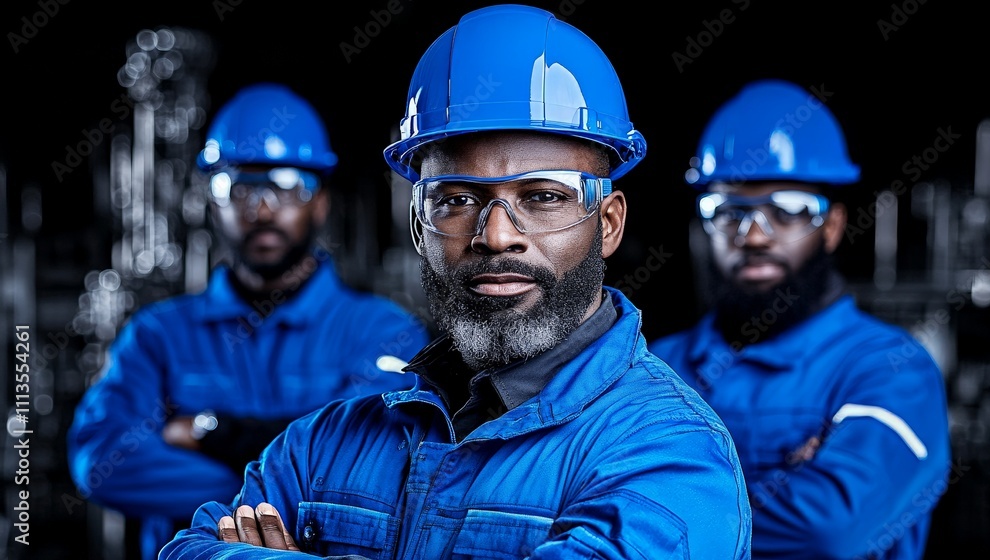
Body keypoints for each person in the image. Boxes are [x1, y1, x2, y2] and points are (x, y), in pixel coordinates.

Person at [160, 5, 753, 559]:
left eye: (543, 197)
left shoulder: (668, 456)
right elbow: (189, 547)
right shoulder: (323, 443)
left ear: (609, 223)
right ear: (419, 227)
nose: (495, 236)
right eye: (457, 199)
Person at [66, 82, 431, 560]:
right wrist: (291, 483)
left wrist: (209, 433)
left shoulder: (384, 332)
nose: (261, 209)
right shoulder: (159, 335)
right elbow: (103, 464)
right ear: (210, 201)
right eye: (237, 187)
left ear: (320, 202)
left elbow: (377, 469)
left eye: (285, 185)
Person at [648, 78, 952, 558]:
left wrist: (645, 512)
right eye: (729, 210)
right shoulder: (656, 366)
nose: (754, 236)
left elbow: (829, 530)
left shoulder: (890, 370)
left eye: (787, 210)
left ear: (831, 226)